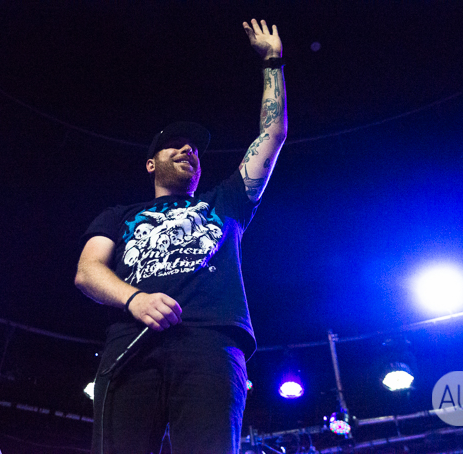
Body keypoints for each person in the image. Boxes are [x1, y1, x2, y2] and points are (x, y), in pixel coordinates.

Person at [75, 18, 287, 454]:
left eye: (194, 148)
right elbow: (87, 271)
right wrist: (135, 299)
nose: (189, 149)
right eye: (176, 144)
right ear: (151, 163)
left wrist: (272, 62)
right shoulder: (120, 214)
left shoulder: (226, 201)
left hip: (211, 344)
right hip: (131, 345)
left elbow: (273, 134)